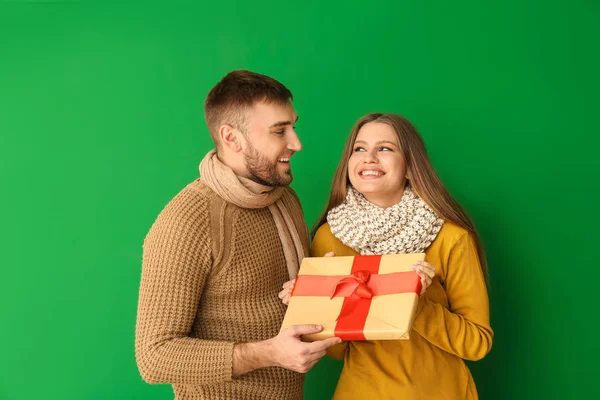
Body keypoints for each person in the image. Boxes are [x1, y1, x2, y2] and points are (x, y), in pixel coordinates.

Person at [135, 70, 341, 400]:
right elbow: (155, 357)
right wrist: (270, 353)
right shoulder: (188, 221)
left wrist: (320, 285)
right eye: (280, 131)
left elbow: (282, 301)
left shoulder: (284, 199)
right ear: (232, 138)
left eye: (293, 126)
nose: (297, 143)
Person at [280, 113, 493, 399]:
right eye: (359, 148)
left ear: (409, 167)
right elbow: (335, 350)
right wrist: (313, 303)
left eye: (385, 148)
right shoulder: (329, 238)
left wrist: (414, 302)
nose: (368, 157)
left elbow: (476, 343)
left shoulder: (451, 238)